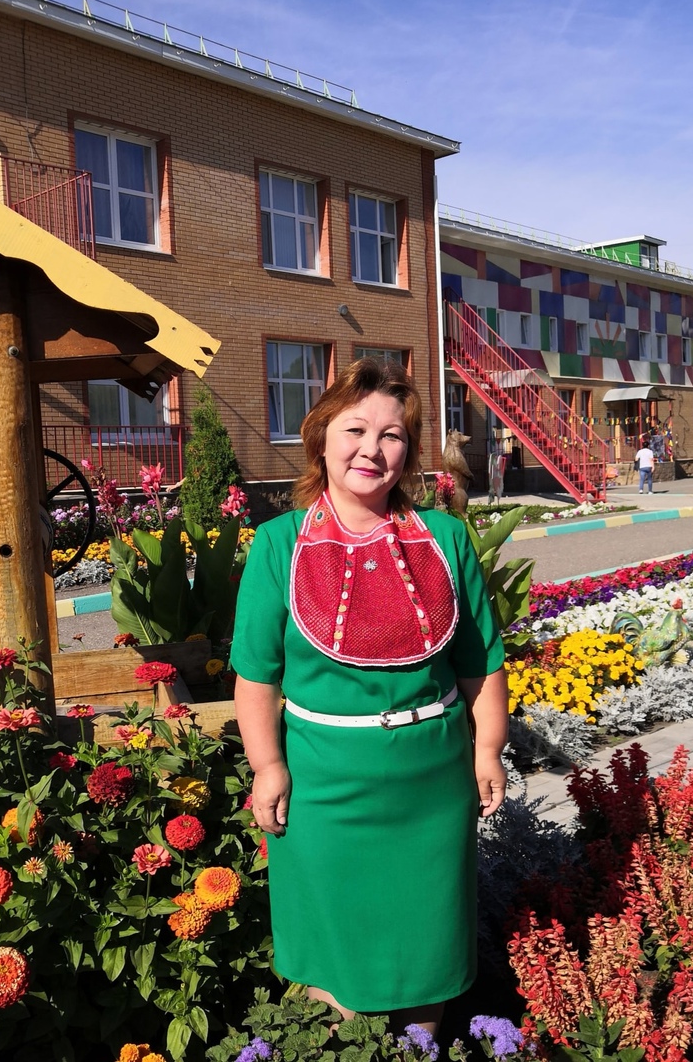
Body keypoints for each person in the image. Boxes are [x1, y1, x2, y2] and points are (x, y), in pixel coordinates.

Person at [231, 359, 508, 1036]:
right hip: (325, 784)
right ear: (321, 439)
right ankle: (350, 1049)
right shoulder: (277, 545)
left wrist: (489, 750)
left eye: (391, 435)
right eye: (355, 430)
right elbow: (256, 676)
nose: (371, 449)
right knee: (336, 944)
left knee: (428, 941)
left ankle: (420, 1049)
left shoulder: (446, 539)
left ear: (407, 452)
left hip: (431, 783)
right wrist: (268, 766)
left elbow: (480, 663)